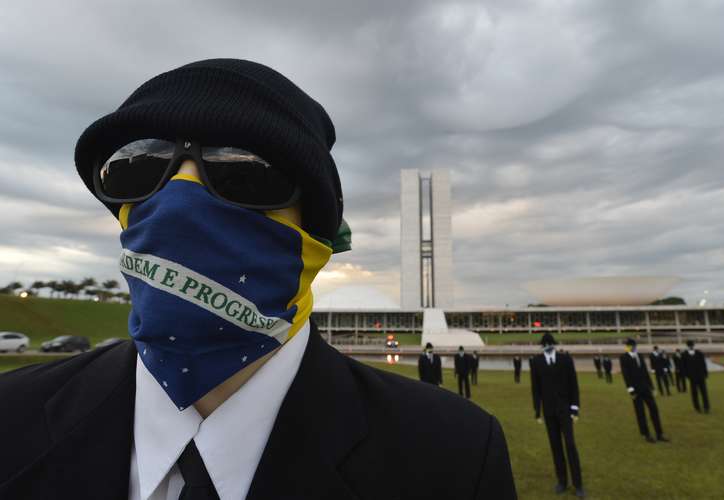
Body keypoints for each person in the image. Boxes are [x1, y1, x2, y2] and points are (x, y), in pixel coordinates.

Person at [0, 59, 517, 499]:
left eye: (244, 172)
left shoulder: (453, 457)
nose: (179, 199)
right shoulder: (11, 418)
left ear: (315, 234)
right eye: (137, 168)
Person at [530, 334, 585, 498]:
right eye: (545, 344)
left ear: (553, 344)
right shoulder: (536, 362)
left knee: (570, 445)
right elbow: (536, 389)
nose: (548, 346)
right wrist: (537, 411)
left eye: (550, 344)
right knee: (556, 447)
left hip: (565, 410)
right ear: (542, 346)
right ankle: (562, 481)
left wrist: (575, 408)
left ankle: (578, 484)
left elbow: (573, 384)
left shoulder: (565, 360)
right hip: (549, 411)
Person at [619, 338, 669, 443]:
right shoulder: (624, 358)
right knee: (640, 412)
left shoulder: (640, 356)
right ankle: (646, 434)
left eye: (633, 345)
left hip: (645, 387)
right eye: (630, 346)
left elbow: (645, 372)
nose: (632, 347)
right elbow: (626, 375)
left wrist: (652, 386)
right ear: (627, 347)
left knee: (654, 409)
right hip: (635, 390)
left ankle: (659, 433)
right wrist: (630, 389)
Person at [684, 340, 711, 413]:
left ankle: (706, 407)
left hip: (701, 376)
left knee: (704, 393)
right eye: (690, 345)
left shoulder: (699, 353)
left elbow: (703, 364)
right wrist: (688, 376)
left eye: (692, 345)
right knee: (694, 393)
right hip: (692, 377)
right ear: (687, 346)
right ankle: (697, 407)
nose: (691, 346)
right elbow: (684, 366)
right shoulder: (685, 355)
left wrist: (705, 374)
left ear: (693, 345)